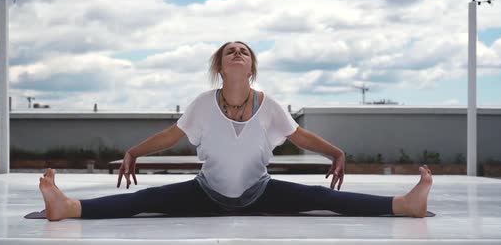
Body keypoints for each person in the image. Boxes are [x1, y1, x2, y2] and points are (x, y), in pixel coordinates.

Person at [38, 41, 433, 221]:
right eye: (230, 51)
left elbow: (299, 135)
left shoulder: (269, 104)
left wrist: (336, 152)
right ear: (221, 67)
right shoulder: (202, 104)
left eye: (244, 51)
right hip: (205, 193)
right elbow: (172, 135)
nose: (238, 54)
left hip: (261, 191)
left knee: (321, 198)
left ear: (251, 67)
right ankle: (67, 208)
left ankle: (404, 205)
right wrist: (134, 151)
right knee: (144, 199)